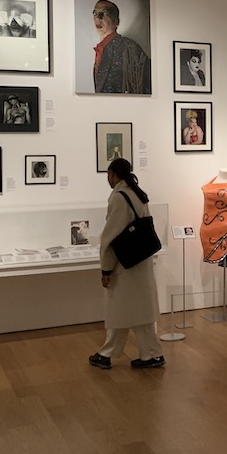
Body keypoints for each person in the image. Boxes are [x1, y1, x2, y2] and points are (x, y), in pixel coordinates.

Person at [90, 157, 165, 369]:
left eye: (109, 174)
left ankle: (108, 353)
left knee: (119, 309)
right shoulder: (138, 194)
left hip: (125, 264)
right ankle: (150, 353)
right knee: (139, 310)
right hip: (141, 260)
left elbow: (110, 236)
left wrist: (106, 268)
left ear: (114, 174)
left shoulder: (119, 198)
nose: (108, 178)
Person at [91, 0, 151, 94]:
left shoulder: (129, 47)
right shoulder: (100, 50)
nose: (98, 18)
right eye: (95, 13)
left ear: (117, 21)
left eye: (105, 13)